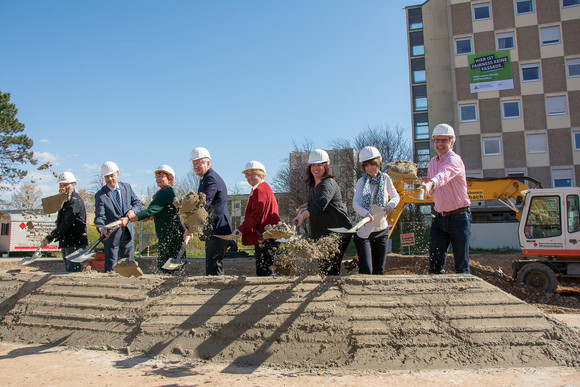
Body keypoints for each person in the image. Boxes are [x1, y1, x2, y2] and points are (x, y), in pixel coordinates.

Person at [420, 124, 471, 274]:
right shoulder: (432, 163)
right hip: (439, 218)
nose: (440, 144)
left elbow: (443, 176)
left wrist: (431, 183)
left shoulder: (455, 160)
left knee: (461, 265)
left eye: (444, 140)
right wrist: (427, 185)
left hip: (459, 217)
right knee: (434, 265)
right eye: (437, 140)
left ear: (451, 142)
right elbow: (432, 192)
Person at [293, 149, 352, 276]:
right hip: (325, 233)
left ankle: (334, 294)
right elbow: (316, 202)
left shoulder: (328, 183)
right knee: (324, 268)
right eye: (313, 165)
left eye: (319, 164)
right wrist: (305, 206)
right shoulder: (314, 185)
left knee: (329, 268)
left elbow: (321, 203)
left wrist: (303, 215)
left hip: (338, 232)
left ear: (326, 165)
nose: (316, 168)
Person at [119, 165, 185, 273]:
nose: (158, 179)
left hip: (172, 235)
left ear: (169, 178)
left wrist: (129, 219)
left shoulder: (167, 192)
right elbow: (155, 211)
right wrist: (148, 216)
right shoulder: (162, 193)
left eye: (161, 176)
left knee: (167, 267)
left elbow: (151, 210)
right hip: (166, 235)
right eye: (157, 177)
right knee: (166, 266)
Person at [352, 146, 400, 275]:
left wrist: (391, 204)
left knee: (379, 270)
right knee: (367, 270)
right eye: (366, 166)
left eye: (372, 164)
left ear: (378, 163)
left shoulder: (386, 179)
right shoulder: (362, 182)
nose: (370, 168)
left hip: (381, 230)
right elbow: (355, 203)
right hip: (364, 232)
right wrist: (365, 213)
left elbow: (396, 196)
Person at [185, 147, 232, 275]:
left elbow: (203, 206)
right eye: (194, 164)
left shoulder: (210, 179)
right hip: (214, 228)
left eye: (199, 163)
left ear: (208, 163)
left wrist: (189, 227)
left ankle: (217, 292)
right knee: (212, 265)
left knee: (214, 267)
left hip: (218, 229)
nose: (196, 166)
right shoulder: (205, 179)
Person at [233, 161, 280, 276]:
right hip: (268, 235)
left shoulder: (260, 190)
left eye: (253, 174)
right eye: (248, 175)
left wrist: (241, 229)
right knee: (266, 269)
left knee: (264, 272)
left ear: (261, 175)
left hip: (266, 237)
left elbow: (256, 214)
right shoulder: (263, 188)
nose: (250, 177)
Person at [94, 161, 143, 272]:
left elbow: (138, 203)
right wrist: (102, 229)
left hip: (127, 232)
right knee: (112, 267)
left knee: (129, 265)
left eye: (112, 175)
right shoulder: (100, 195)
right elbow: (99, 217)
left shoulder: (127, 187)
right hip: (111, 236)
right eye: (107, 177)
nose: (110, 179)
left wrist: (131, 213)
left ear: (117, 174)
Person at [42, 172, 88, 272]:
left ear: (73, 184)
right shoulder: (65, 201)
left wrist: (51, 237)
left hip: (75, 243)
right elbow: (61, 222)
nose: (63, 187)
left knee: (73, 272)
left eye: (65, 185)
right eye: (61, 185)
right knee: (68, 271)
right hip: (67, 242)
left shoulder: (74, 201)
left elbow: (68, 222)